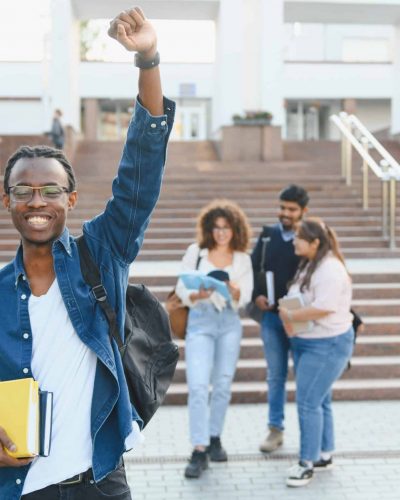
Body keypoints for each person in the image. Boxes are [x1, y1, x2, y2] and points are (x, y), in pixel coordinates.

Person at [0, 8, 174, 500]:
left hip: (100, 480)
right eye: (24, 190)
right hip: (20, 486)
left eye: (50, 190)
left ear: (70, 200)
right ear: (7, 198)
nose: (37, 202)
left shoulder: (101, 254)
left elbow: (142, 167)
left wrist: (148, 59)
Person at [175, 200, 253, 479]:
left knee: (222, 383)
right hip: (201, 320)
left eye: (226, 228)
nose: (221, 233)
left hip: (229, 323)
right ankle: (199, 449)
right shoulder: (196, 253)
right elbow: (181, 287)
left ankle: (214, 436)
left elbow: (245, 296)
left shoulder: (243, 259)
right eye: (217, 228)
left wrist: (232, 290)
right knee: (197, 385)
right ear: (209, 229)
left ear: (235, 230)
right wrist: (198, 294)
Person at [279, 218, 354, 487]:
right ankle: (324, 454)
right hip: (308, 341)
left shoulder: (330, 269)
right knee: (320, 400)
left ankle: (306, 464)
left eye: (299, 237)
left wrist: (291, 314)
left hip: (327, 344)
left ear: (315, 242)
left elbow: (325, 306)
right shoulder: (311, 263)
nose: (295, 241)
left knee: (308, 402)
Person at [250, 185, 309, 452]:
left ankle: (310, 433)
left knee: (305, 376)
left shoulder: (311, 236)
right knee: (276, 376)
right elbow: (252, 270)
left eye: (291, 209)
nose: (285, 213)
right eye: (282, 207)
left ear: (303, 211)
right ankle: (275, 430)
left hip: (300, 319)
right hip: (273, 319)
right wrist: (256, 296)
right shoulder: (267, 235)